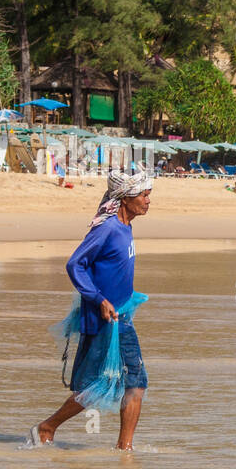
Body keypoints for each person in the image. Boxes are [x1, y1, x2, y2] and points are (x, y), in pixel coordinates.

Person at [27, 171, 152, 451]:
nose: (147, 201)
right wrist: (99, 299)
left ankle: (125, 449)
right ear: (125, 198)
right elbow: (75, 265)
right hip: (104, 318)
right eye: (144, 195)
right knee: (96, 387)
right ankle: (47, 427)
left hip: (121, 316)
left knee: (134, 382)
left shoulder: (125, 226)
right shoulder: (107, 228)